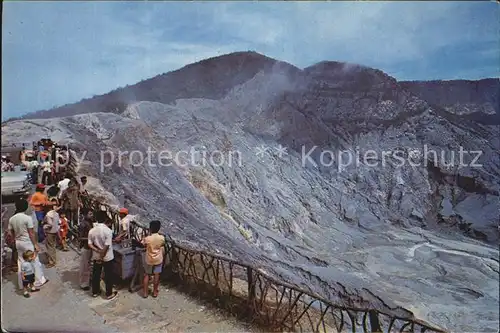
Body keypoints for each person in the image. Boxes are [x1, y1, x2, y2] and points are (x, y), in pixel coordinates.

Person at [8, 199, 48, 290]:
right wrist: (35, 244)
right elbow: (31, 233)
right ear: (26, 207)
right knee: (34, 261)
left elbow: (10, 233)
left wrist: (15, 239)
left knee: (21, 262)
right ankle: (38, 281)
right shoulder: (27, 218)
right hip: (27, 242)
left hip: (18, 243)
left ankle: (22, 283)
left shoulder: (12, 219)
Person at [88, 210, 118, 300]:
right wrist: (102, 256)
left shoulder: (92, 231)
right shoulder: (108, 231)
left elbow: (90, 244)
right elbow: (106, 246)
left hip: (96, 255)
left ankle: (95, 292)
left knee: (96, 274)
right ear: (105, 219)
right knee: (109, 275)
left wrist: (97, 250)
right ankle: (109, 293)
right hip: (107, 256)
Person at [141, 220, 165, 298]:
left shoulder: (148, 239)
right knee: (156, 275)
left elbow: (142, 243)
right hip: (158, 259)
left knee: (147, 275)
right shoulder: (161, 238)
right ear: (159, 228)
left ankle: (145, 293)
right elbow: (162, 245)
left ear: (150, 228)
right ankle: (155, 292)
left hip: (149, 259)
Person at [78, 209, 94, 291]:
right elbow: (80, 238)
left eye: (92, 214)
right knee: (84, 266)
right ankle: (84, 284)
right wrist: (90, 238)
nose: (91, 215)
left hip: (90, 247)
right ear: (85, 215)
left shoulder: (90, 223)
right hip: (85, 247)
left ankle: (88, 280)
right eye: (90, 214)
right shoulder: (83, 224)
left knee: (88, 265)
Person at [43, 201, 60, 267]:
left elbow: (50, 224)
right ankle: (54, 259)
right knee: (53, 246)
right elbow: (58, 223)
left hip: (49, 232)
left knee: (50, 247)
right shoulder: (56, 213)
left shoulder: (48, 215)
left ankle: (52, 261)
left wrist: (44, 226)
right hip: (55, 231)